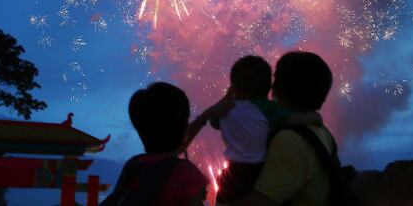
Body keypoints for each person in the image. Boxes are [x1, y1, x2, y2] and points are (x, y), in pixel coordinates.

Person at [185, 55, 321, 204]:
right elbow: (292, 120)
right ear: (269, 88)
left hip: (233, 172)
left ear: (234, 87)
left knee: (224, 198)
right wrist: (313, 117)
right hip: (258, 171)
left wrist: (227, 97)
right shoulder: (267, 109)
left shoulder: (226, 110)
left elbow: (214, 122)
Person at [232, 51, 336, 206]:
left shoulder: (289, 139)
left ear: (279, 88)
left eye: (275, 79)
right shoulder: (322, 132)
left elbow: (262, 201)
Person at [101, 82, 209, 206]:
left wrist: (203, 118)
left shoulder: (134, 165)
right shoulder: (186, 173)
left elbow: (167, 159)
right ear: (182, 127)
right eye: (186, 119)